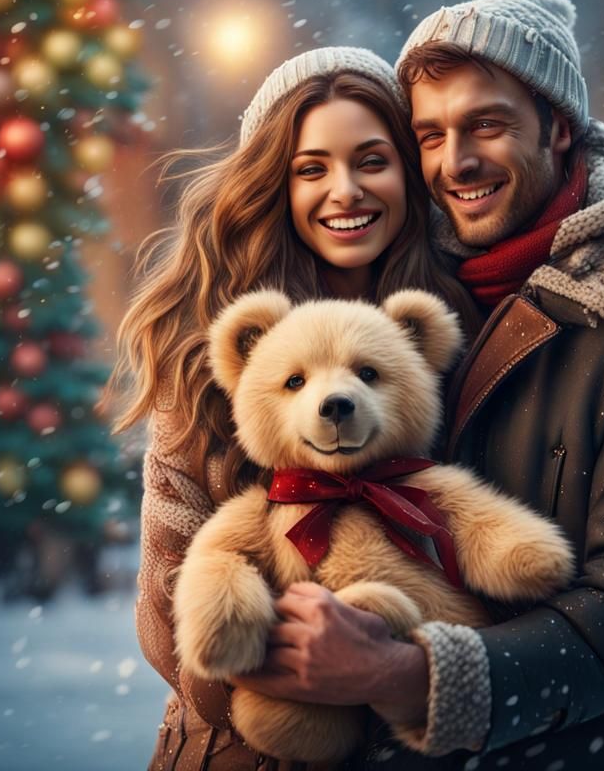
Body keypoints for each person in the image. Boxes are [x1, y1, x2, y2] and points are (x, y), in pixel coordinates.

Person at [231, 0, 604, 770]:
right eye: (429, 135)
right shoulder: (396, 284)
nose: (455, 161)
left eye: (487, 125)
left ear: (560, 127)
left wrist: (410, 676)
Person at [103, 46, 475, 771]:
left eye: (372, 160)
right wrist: (305, 663)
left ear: (408, 171)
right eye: (312, 168)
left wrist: (405, 669)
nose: (346, 190)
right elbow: (165, 610)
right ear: (275, 181)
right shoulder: (209, 344)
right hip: (241, 752)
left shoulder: (452, 326)